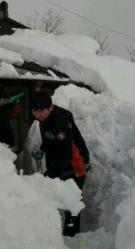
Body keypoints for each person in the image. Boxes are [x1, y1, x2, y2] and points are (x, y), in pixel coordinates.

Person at [30, 91, 90, 237]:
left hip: (75, 165)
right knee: (56, 196)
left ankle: (71, 236)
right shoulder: (44, 119)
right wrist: (43, 150)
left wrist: (51, 173)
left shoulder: (61, 122)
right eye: (34, 111)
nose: (38, 115)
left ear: (50, 108)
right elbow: (49, 139)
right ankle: (54, 230)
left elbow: (66, 153)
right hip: (59, 161)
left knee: (71, 201)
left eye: (41, 111)